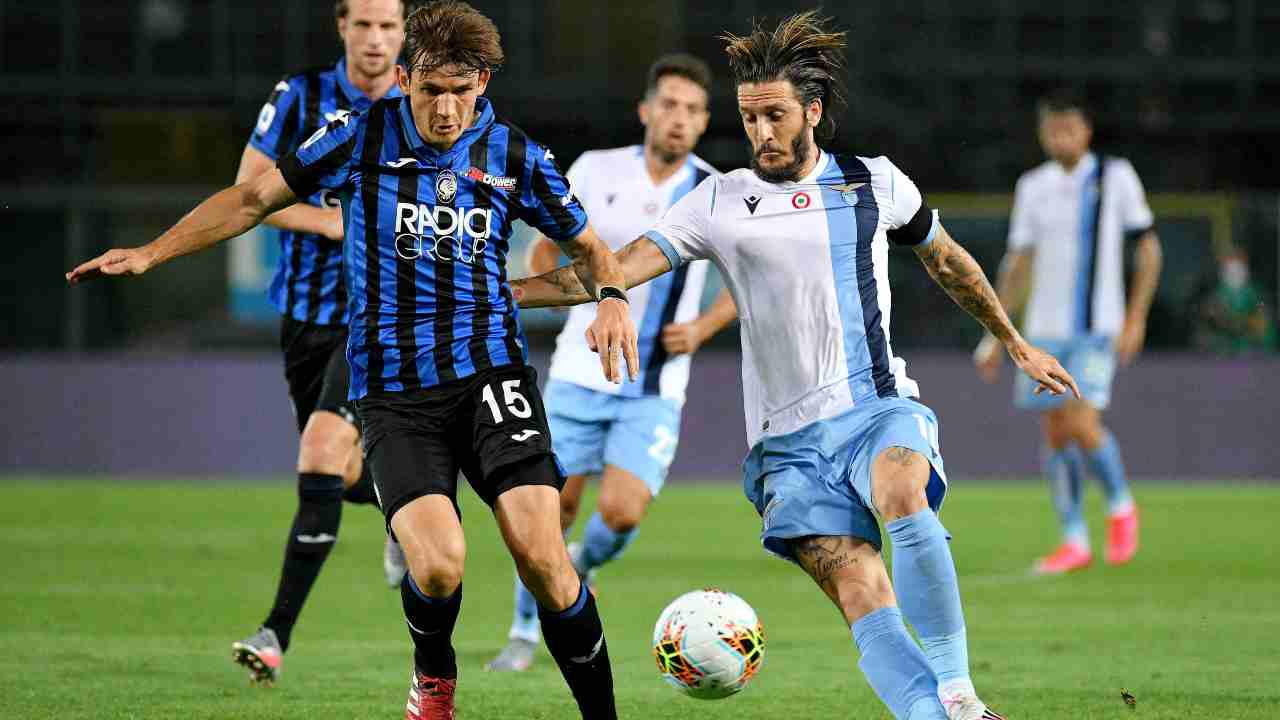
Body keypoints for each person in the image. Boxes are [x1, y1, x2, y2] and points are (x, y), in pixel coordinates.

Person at [67, 3, 635, 718]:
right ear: (404, 78)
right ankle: (433, 677)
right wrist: (151, 251)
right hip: (396, 395)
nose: (447, 108)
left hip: (493, 376)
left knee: (547, 564)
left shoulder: (516, 156)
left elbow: (591, 247)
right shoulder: (358, 136)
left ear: (483, 83)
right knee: (436, 565)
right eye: (431, 90)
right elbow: (250, 200)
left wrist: (611, 295)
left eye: (462, 90)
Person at [511, 11, 1079, 720]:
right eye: (750, 119)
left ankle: (961, 696)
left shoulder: (876, 182)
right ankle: (930, 715)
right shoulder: (720, 200)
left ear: (812, 110)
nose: (761, 133)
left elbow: (946, 259)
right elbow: (613, 269)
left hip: (877, 409)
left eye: (775, 115)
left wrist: (1014, 339)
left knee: (903, 491)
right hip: (785, 451)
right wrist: (503, 293)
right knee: (862, 593)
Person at [487, 53, 738, 673]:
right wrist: (543, 256)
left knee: (622, 512)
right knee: (549, 508)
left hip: (653, 384)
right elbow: (554, 235)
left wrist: (703, 327)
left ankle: (582, 566)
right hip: (578, 373)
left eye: (692, 110)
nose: (678, 119)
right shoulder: (596, 170)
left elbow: (749, 279)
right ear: (646, 110)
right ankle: (522, 632)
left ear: (704, 123)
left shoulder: (716, 190)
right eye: (670, 105)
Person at [221, 0, 408, 685]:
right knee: (334, 472)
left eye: (389, 26)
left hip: (378, 318)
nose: (376, 39)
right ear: (342, 28)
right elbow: (247, 192)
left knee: (322, 446)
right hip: (303, 315)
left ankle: (275, 635)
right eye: (363, 24)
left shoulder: (422, 103)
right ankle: (405, 508)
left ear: (404, 32)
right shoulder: (299, 96)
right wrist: (322, 223)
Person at [974, 91, 1163, 574]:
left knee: (1080, 422)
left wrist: (1136, 317)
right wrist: (997, 334)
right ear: (1043, 134)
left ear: (1087, 131)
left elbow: (1148, 248)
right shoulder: (1032, 186)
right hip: (1042, 332)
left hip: (1096, 326)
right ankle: (1074, 540)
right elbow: (1019, 263)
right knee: (1056, 431)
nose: (1061, 137)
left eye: (1070, 129)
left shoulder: (1114, 177)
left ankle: (1121, 505)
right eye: (1053, 130)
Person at [1195, 247, 1276, 353]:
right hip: (1221, 354)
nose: (1234, 269)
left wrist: (1250, 324)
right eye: (1229, 265)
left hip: (1255, 353)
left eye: (1238, 263)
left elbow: (1264, 326)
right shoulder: (1216, 296)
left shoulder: (1256, 295)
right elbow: (1207, 325)